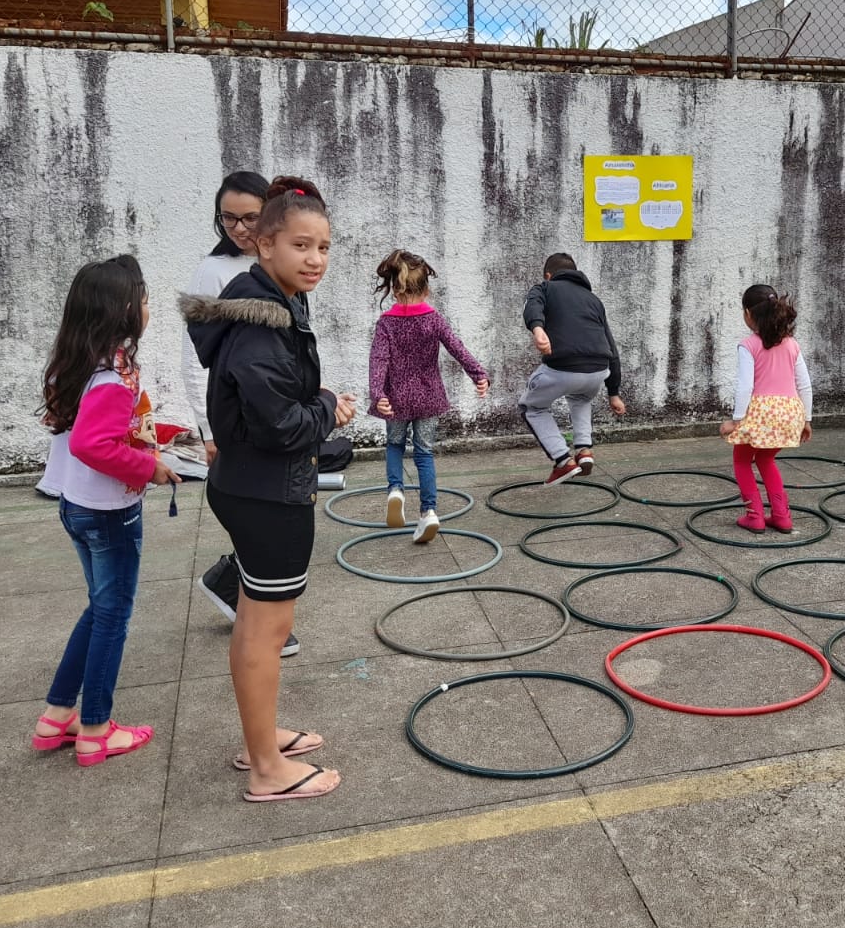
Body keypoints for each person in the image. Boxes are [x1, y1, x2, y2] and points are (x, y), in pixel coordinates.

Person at [182, 176, 356, 803]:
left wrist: (313, 405)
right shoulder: (261, 321)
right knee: (265, 631)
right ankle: (265, 770)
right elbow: (280, 423)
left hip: (252, 483)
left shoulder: (269, 300)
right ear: (265, 246)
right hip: (267, 492)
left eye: (325, 247)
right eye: (301, 246)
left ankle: (261, 742)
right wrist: (329, 407)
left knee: (260, 625)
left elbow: (271, 404)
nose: (316, 260)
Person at [32, 255, 181, 766]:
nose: (148, 308)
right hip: (110, 515)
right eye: (143, 300)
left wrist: (158, 436)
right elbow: (94, 445)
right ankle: (96, 728)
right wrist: (151, 469)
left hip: (78, 507)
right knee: (113, 616)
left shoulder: (80, 365)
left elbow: (96, 433)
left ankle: (57, 717)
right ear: (122, 311)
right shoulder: (113, 379)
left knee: (100, 609)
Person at [186, 172, 300, 659]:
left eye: (249, 217)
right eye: (228, 217)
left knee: (275, 520)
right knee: (259, 522)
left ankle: (250, 602)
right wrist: (208, 432)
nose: (237, 227)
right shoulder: (214, 274)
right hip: (241, 423)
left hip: (276, 415)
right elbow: (196, 363)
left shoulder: (278, 259)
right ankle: (247, 607)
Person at [368, 249, 490, 542]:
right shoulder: (433, 319)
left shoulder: (387, 322)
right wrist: (479, 374)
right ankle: (429, 512)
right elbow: (457, 348)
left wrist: (378, 394)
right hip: (428, 396)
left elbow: (378, 360)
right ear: (425, 288)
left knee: (395, 445)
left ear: (394, 290)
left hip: (396, 398)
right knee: (424, 453)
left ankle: (396, 490)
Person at [520, 252, 625, 485]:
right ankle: (584, 450)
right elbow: (612, 346)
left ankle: (562, 460)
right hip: (598, 370)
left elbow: (532, 306)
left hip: (563, 366)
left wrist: (538, 329)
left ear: (548, 275)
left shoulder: (545, 288)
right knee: (581, 399)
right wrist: (614, 392)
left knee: (532, 407)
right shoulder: (594, 300)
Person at [717, 284, 813, 533]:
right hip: (790, 413)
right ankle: (782, 516)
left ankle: (755, 516)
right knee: (766, 458)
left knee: (741, 461)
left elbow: (744, 386)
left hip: (761, 413)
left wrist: (736, 421)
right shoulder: (792, 344)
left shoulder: (749, 345)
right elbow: (804, 384)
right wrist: (807, 419)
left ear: (748, 314)